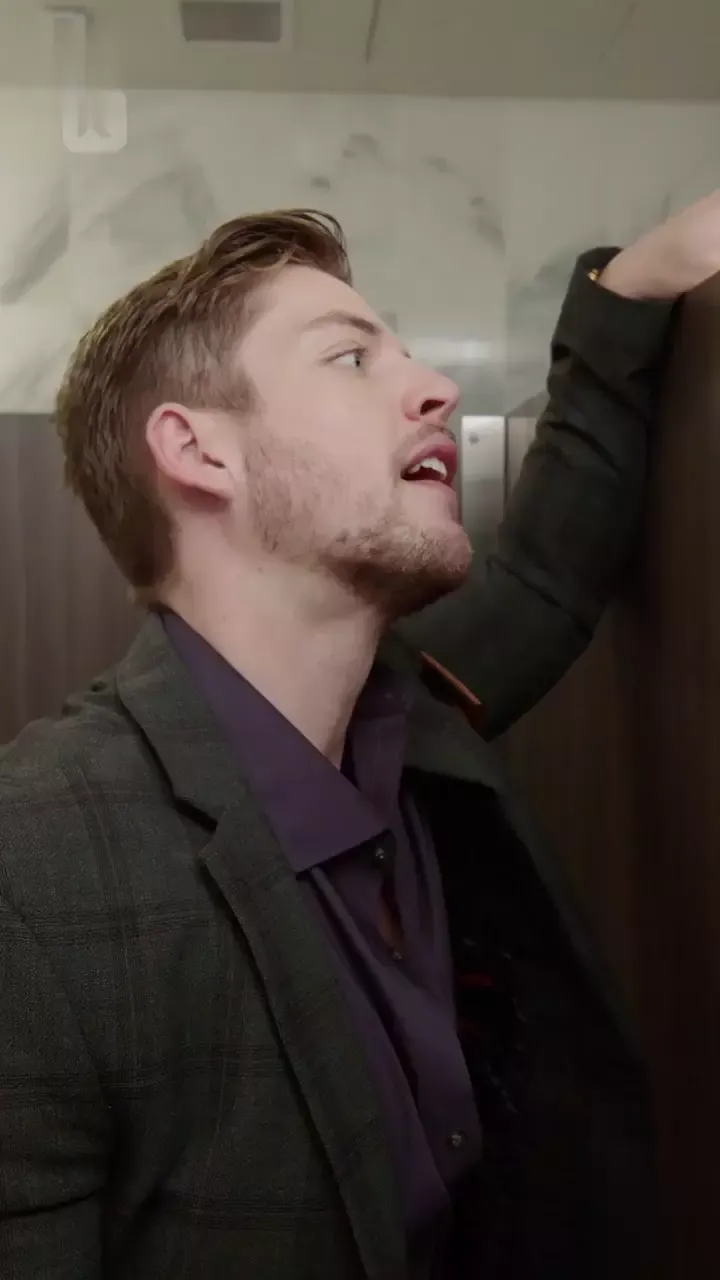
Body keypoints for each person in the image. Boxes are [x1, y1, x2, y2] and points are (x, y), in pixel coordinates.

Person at [1, 192, 718, 1280]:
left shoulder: (408, 722)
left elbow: (547, 571)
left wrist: (639, 280)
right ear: (198, 451)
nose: (435, 388)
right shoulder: (33, 869)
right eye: (350, 358)